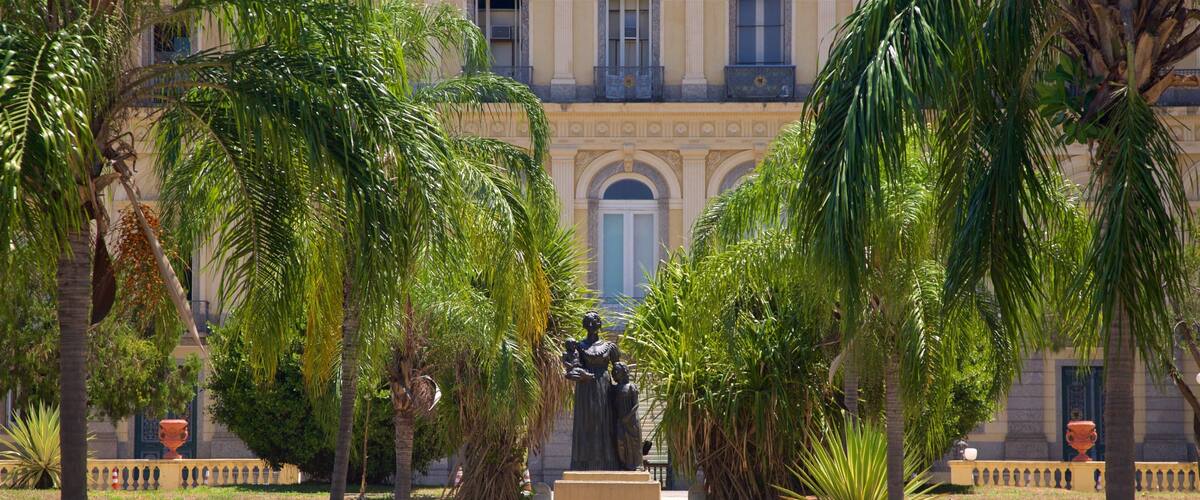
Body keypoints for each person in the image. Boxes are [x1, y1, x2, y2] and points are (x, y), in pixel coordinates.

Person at [566, 311, 620, 470]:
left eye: (594, 321)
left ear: (600, 324)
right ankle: (583, 463)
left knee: (605, 422)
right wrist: (576, 374)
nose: (591, 324)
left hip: (604, 387)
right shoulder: (579, 347)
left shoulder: (610, 347)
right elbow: (573, 369)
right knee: (586, 423)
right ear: (584, 325)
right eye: (588, 322)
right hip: (585, 389)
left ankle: (608, 462)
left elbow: (618, 370)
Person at [611, 362, 642, 471]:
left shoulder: (631, 387)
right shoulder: (615, 388)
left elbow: (636, 404)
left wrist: (627, 417)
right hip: (620, 420)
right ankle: (624, 464)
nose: (614, 373)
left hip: (632, 421)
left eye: (617, 370)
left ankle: (636, 466)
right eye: (614, 371)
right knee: (621, 443)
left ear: (624, 372)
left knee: (634, 444)